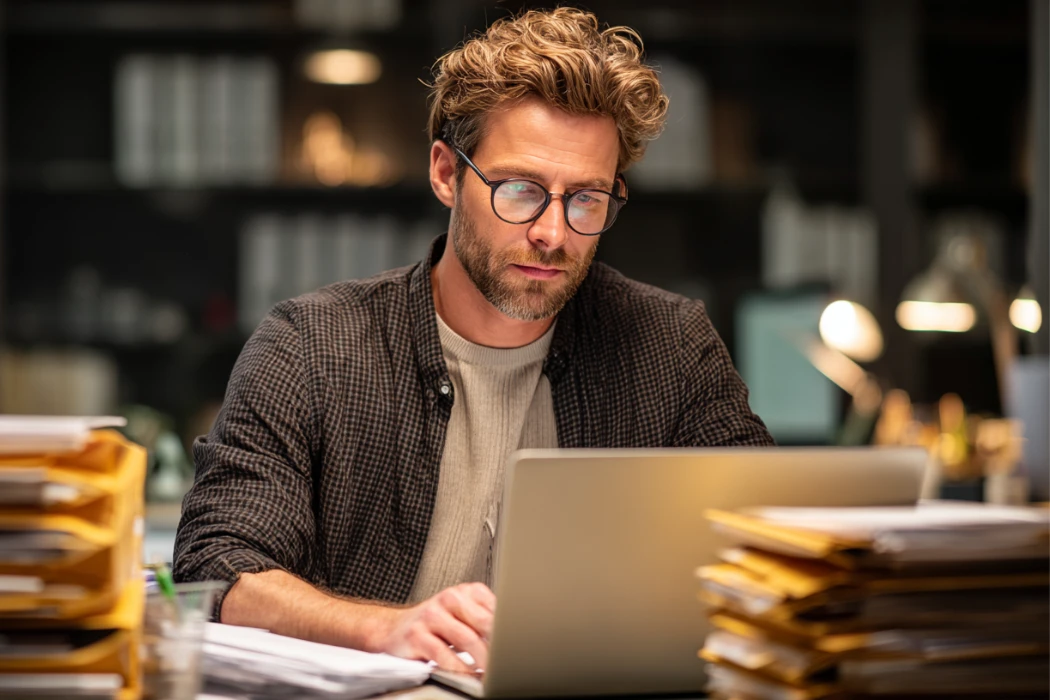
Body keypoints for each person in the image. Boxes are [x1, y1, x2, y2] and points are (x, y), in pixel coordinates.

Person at [174, 7, 773, 674]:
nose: (552, 233)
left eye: (587, 199)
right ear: (445, 174)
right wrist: (388, 630)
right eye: (520, 191)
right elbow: (218, 569)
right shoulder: (314, 346)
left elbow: (771, 549)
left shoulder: (670, 347)